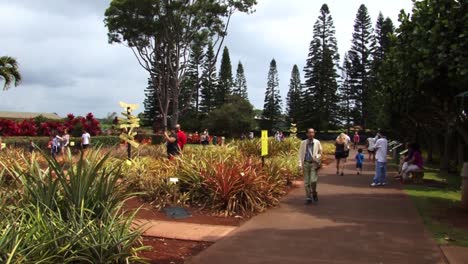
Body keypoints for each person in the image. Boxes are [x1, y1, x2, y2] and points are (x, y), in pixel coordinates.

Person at [298, 128, 323, 204]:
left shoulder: (317, 142)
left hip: (313, 164)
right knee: (306, 182)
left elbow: (320, 152)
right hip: (305, 163)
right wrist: (299, 164)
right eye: (309, 132)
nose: (311, 134)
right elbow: (300, 154)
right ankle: (308, 197)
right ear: (307, 134)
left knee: (313, 180)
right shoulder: (303, 143)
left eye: (312, 132)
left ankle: (314, 192)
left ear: (314, 134)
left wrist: (317, 157)